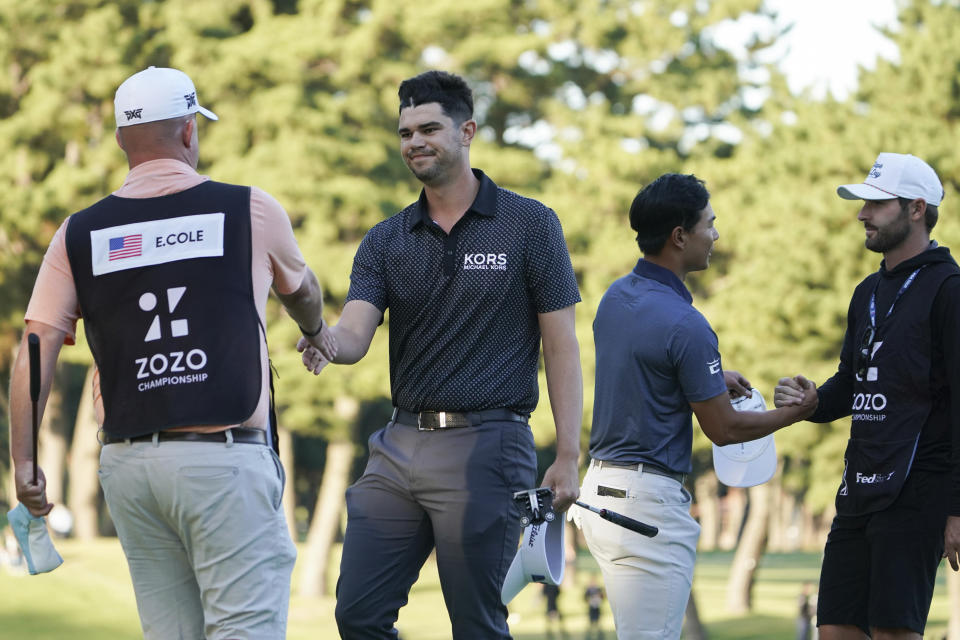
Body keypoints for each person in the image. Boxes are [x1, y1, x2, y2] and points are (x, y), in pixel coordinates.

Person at [9, 66, 336, 640]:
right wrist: (315, 329)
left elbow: (34, 349)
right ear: (190, 131)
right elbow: (302, 290)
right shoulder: (249, 209)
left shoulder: (78, 233)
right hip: (224, 456)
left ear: (119, 142)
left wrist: (26, 463)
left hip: (131, 467)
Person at [298, 70, 583, 639]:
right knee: (358, 614)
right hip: (397, 446)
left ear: (467, 131)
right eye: (405, 133)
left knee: (477, 625)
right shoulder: (386, 238)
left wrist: (570, 453)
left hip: (490, 444)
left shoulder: (529, 225)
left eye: (429, 128)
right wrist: (326, 339)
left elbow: (562, 344)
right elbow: (356, 331)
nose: (414, 142)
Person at [578, 173, 818, 639]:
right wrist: (796, 412)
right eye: (710, 223)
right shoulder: (686, 323)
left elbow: (644, 374)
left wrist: (702, 381)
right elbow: (724, 429)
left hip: (603, 492)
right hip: (645, 507)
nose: (716, 234)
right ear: (680, 236)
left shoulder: (615, 297)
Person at [775, 152, 960, 640]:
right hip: (857, 488)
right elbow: (852, 383)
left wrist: (957, 508)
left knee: (893, 631)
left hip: (919, 490)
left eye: (876, 204)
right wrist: (811, 400)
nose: (862, 215)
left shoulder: (949, 288)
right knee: (835, 628)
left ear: (916, 209)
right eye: (863, 204)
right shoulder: (866, 292)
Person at [583, 575, 605, 640]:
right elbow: (585, 598)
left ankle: (600, 636)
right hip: (591, 607)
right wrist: (589, 600)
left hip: (597, 607)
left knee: (598, 621)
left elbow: (603, 597)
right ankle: (589, 635)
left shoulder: (599, 589)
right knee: (591, 621)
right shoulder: (588, 590)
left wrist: (599, 597)